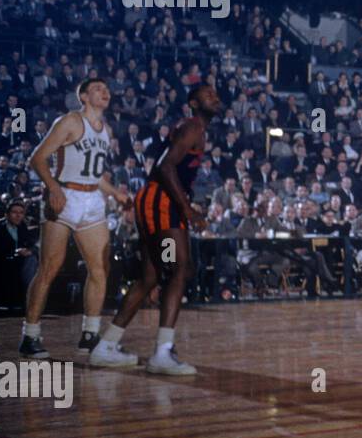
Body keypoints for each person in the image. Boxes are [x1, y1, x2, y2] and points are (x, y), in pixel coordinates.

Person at [88, 83, 223, 374]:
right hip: (161, 203)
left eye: (215, 93)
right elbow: (165, 167)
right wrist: (186, 209)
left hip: (157, 201)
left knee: (150, 278)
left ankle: (106, 346)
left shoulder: (195, 129)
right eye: (207, 93)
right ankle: (162, 353)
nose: (214, 96)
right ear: (193, 102)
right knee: (178, 269)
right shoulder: (192, 127)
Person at [18, 77, 132, 360]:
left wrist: (115, 193)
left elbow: (93, 175)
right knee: (49, 267)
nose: (104, 92)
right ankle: (30, 335)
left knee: (99, 268)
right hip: (64, 195)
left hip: (92, 198)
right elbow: (37, 158)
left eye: (106, 89)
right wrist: (53, 188)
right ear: (82, 96)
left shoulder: (106, 130)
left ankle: (90, 335)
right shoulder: (70, 120)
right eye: (97, 89)